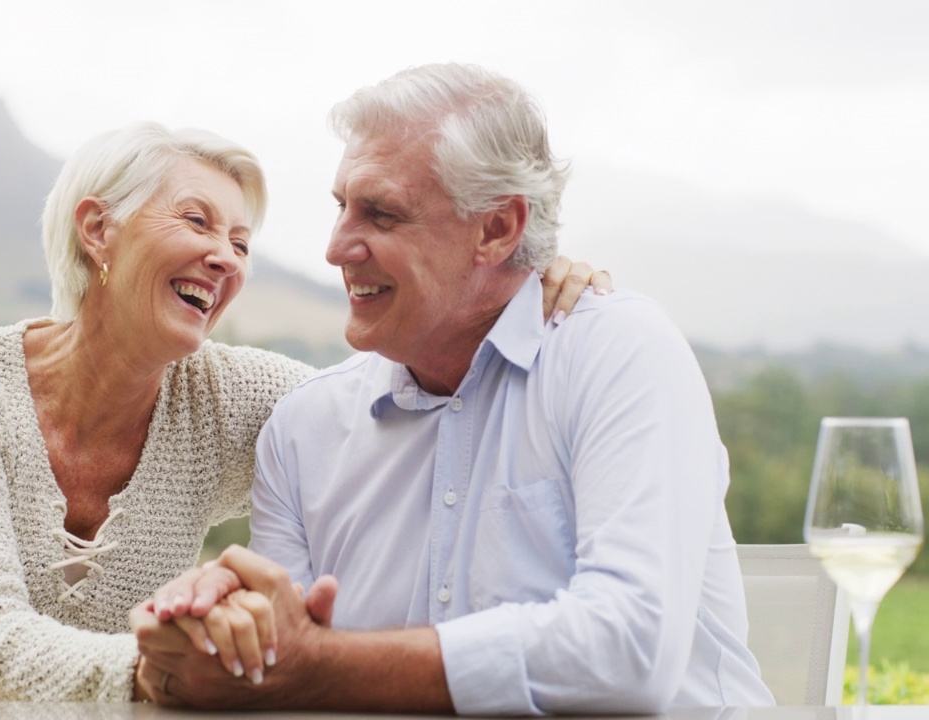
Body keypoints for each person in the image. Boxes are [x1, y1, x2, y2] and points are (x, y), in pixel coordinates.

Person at [0, 120, 605, 701]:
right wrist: (155, 675)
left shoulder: (240, 397)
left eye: (242, 243)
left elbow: (400, 403)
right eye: (197, 220)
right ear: (97, 231)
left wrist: (508, 281)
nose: (225, 256)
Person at [133, 63, 775, 715]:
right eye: (341, 207)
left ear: (497, 229)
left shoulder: (618, 352)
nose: (336, 248)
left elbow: (628, 650)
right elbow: (277, 671)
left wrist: (315, 664)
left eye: (380, 213)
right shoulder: (305, 428)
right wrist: (205, 638)